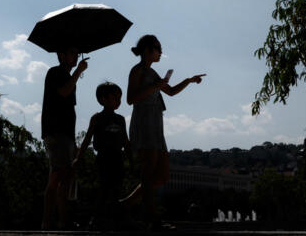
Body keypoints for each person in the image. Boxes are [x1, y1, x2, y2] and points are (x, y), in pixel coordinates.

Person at [122, 34, 206, 229]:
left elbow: (171, 91)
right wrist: (154, 86)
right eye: (158, 48)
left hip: (156, 125)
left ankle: (125, 205)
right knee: (149, 174)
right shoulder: (137, 71)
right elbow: (130, 99)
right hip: (144, 124)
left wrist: (189, 80)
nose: (161, 52)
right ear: (147, 50)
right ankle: (151, 219)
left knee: (160, 176)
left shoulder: (152, 73)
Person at [40, 46, 88, 230]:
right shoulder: (55, 72)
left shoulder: (66, 76)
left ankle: (54, 221)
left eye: (77, 52)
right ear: (61, 54)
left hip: (64, 133)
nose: (75, 56)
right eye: (72, 52)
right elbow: (64, 92)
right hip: (57, 131)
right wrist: (78, 71)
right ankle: (59, 221)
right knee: (61, 176)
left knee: (60, 177)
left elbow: (69, 106)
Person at [73, 81, 131, 229]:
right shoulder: (97, 118)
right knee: (103, 188)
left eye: (119, 98)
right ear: (103, 99)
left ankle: (115, 219)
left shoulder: (120, 119)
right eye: (115, 97)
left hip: (118, 157)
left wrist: (131, 158)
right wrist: (79, 157)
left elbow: (125, 140)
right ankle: (97, 218)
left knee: (116, 189)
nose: (118, 101)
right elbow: (87, 139)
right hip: (103, 157)